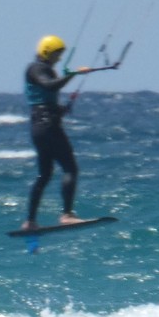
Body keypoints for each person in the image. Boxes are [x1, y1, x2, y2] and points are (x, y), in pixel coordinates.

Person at [21, 34, 101, 231]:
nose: (59, 58)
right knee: (70, 169)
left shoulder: (45, 69)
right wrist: (74, 74)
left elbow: (44, 99)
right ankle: (67, 215)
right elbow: (49, 85)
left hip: (40, 125)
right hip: (47, 126)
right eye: (57, 54)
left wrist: (60, 110)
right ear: (47, 52)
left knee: (45, 174)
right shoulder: (36, 68)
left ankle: (30, 221)